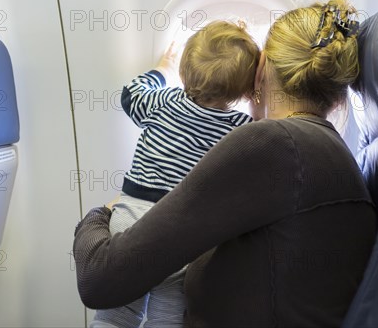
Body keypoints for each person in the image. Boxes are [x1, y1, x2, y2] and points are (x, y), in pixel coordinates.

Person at [74, 0, 377, 327]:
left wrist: (103, 213)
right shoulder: (330, 152)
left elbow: (100, 280)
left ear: (261, 69)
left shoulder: (270, 144)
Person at [91, 20, 261, 327]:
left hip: (129, 222)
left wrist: (163, 69)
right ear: (244, 90)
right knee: (167, 315)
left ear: (184, 72)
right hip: (180, 233)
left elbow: (130, 94)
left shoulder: (162, 101)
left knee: (117, 313)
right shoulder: (238, 127)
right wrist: (252, 91)